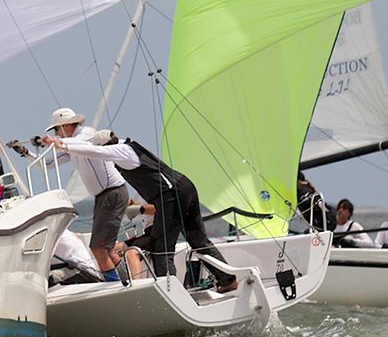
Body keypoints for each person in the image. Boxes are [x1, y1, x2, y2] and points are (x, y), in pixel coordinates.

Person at [49, 128, 239, 293]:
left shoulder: (121, 151)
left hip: (171, 196)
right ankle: (228, 280)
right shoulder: (129, 145)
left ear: (106, 146)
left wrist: (63, 145)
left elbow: (92, 151)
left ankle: (171, 294)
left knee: (161, 248)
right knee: (198, 239)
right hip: (185, 186)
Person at [40, 108, 130, 282]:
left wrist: (55, 142)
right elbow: (47, 163)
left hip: (113, 192)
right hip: (104, 197)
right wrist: (24, 153)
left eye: (57, 129)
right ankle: (128, 281)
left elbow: (81, 143)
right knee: (106, 249)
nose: (57, 133)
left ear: (66, 125)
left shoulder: (87, 134)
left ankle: (115, 284)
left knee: (98, 248)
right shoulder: (71, 144)